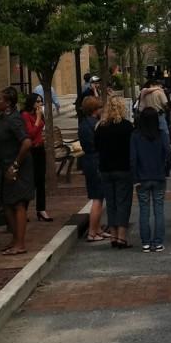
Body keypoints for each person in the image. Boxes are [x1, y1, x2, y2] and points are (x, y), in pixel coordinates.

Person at [0, 87, 33, 256]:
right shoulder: (0, 118)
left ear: (7, 103)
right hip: (4, 168)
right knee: (6, 204)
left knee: (18, 203)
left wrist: (15, 165)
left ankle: (20, 244)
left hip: (17, 168)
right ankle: (14, 239)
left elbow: (26, 143)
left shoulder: (14, 120)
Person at [131, 107, 171, 252]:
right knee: (159, 209)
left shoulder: (136, 136)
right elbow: (168, 152)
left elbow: (133, 158)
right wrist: (166, 169)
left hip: (142, 176)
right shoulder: (161, 134)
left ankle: (146, 242)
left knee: (144, 210)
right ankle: (158, 241)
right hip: (159, 175)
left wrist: (135, 176)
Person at [95, 96, 135, 248]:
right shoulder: (127, 127)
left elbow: (96, 147)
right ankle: (122, 237)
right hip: (123, 168)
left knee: (111, 203)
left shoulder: (101, 127)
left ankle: (113, 235)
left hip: (105, 168)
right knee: (123, 202)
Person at [77, 96, 109, 242]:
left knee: (98, 196)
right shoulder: (95, 125)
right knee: (97, 198)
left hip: (89, 160)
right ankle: (92, 232)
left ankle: (97, 228)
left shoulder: (84, 123)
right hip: (95, 160)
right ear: (95, 109)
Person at [22, 93, 53, 222]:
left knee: (41, 181)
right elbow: (31, 133)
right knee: (31, 181)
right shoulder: (25, 115)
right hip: (31, 151)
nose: (40, 104)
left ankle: (41, 209)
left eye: (41, 102)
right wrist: (38, 118)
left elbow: (40, 130)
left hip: (40, 149)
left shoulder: (37, 115)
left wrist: (39, 117)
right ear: (31, 103)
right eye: (38, 102)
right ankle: (23, 210)